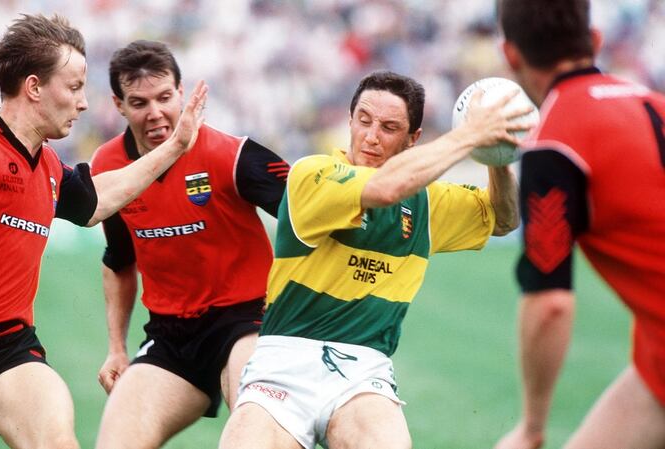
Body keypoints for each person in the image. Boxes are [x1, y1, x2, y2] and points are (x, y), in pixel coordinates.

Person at [0, 15, 207, 449]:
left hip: (7, 347)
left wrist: (176, 146)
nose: (83, 103)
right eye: (74, 87)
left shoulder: (48, 166)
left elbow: (97, 201)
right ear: (34, 87)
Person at [218, 69, 527, 449]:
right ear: (349, 121)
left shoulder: (428, 204)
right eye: (363, 120)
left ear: (413, 139)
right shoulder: (312, 175)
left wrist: (497, 154)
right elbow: (385, 188)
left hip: (362, 373)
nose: (371, 136)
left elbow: (504, 218)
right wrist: (470, 134)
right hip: (282, 365)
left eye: (389, 127)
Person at [90, 40, 289, 449]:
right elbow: (119, 260)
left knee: (254, 434)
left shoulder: (233, 155)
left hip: (249, 320)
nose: (155, 112)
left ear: (181, 93)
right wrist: (116, 348)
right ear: (118, 105)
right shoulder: (108, 167)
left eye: (164, 97)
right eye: (139, 102)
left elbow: (310, 212)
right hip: (170, 334)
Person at [493, 1, 665, 448]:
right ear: (595, 41)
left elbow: (550, 303)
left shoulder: (555, 141)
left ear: (511, 55)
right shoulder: (653, 101)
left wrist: (531, 427)